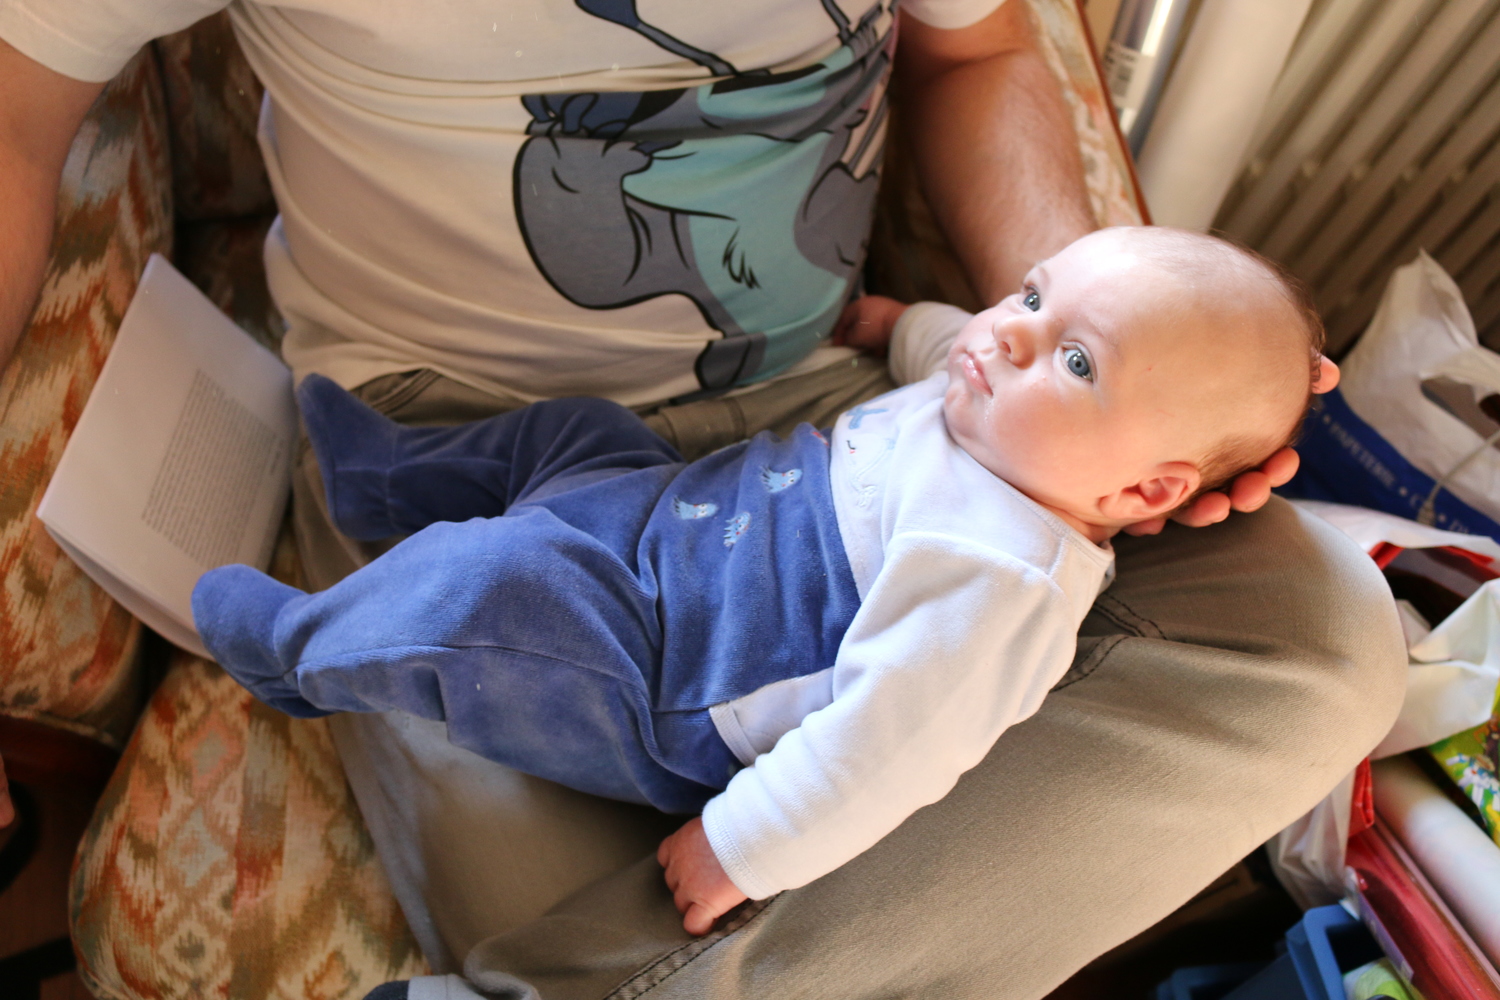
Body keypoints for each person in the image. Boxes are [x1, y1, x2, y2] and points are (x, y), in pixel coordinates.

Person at [0, 0, 1406, 996]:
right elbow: (15, 117)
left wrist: (1124, 379)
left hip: (847, 429)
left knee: (1333, 640)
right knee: (521, 721)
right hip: (466, 440)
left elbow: (976, 51)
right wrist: (1049, 346)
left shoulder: (996, 491)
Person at [194, 227, 1323, 936]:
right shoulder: (994, 403)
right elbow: (953, 346)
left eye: (1077, 360)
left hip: (667, 669)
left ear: (1143, 489)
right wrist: (901, 323)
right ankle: (382, 477)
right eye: (1032, 294)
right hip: (664, 517)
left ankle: (297, 650)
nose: (1012, 336)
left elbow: (883, 753)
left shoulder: (1001, 580)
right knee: (573, 432)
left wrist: (740, 848)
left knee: (497, 586)